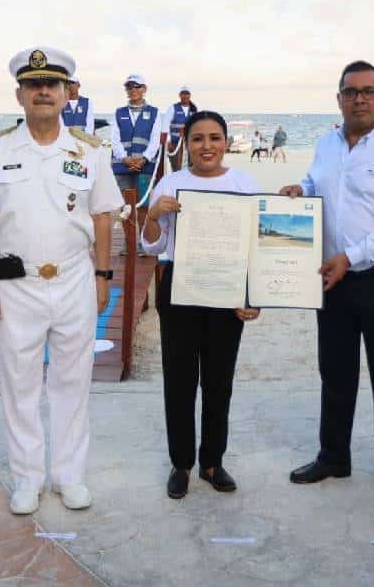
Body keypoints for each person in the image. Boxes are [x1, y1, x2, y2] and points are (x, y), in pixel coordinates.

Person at [0, 46, 123, 515]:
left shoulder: (89, 153)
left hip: (74, 278)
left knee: (73, 382)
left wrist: (102, 275)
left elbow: (102, 219)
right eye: (34, 85)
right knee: (19, 384)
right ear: (20, 94)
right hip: (15, 284)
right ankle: (27, 479)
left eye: (52, 84)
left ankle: (69, 476)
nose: (43, 92)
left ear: (68, 93)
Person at [281, 60, 374, 506]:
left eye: (368, 90)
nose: (359, 98)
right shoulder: (327, 143)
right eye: (350, 91)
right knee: (336, 373)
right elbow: (317, 183)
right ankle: (333, 457)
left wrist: (353, 256)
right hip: (332, 279)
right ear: (339, 97)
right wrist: (299, 192)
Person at [141, 110, 261, 499]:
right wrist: (154, 215)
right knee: (178, 381)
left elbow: (257, 247)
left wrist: (252, 296)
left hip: (227, 291)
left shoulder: (245, 184)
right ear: (186, 144)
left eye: (214, 138)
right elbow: (151, 245)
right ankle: (182, 463)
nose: (206, 146)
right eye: (197, 139)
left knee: (218, 381)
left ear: (226, 142)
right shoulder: (171, 182)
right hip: (180, 286)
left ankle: (212, 461)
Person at [110, 73, 160, 255]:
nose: (133, 90)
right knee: (126, 206)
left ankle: (142, 242)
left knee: (143, 205)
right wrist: (125, 158)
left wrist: (144, 158)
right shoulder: (118, 113)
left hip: (144, 167)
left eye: (137, 86)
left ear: (144, 89)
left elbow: (155, 140)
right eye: (129, 87)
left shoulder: (154, 113)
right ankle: (128, 242)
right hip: (123, 167)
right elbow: (114, 139)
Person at [161, 85, 197, 171]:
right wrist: (168, 142)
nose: (185, 96)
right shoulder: (173, 108)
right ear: (180, 95)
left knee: (191, 169)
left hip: (190, 146)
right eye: (183, 93)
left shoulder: (194, 110)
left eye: (187, 93)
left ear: (190, 95)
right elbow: (165, 126)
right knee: (177, 169)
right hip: (175, 145)